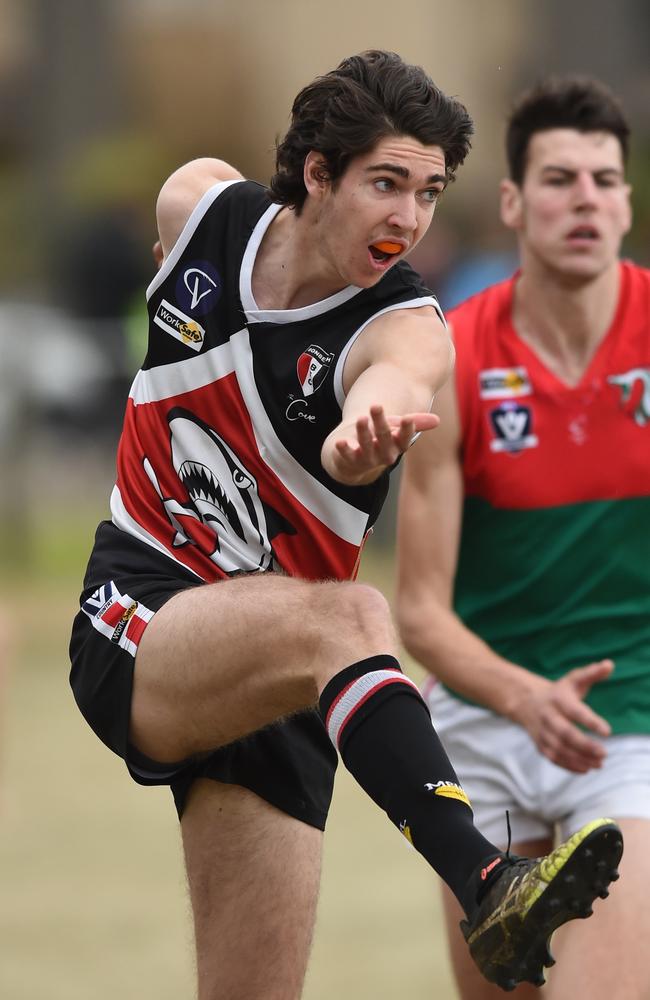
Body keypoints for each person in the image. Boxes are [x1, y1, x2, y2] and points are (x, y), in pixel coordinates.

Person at [69, 53, 622, 999]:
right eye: (386, 183)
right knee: (352, 614)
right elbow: (181, 243)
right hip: (144, 610)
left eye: (429, 192)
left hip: (288, 686)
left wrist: (366, 435)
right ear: (316, 173)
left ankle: (489, 887)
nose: (408, 219)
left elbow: (396, 380)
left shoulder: (404, 324)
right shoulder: (200, 207)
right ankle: (488, 882)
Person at [396, 74, 648, 999]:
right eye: (559, 178)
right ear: (512, 202)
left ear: (626, 201)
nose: (585, 198)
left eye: (605, 179)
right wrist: (523, 696)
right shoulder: (454, 357)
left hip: (626, 729)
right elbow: (418, 611)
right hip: (483, 726)